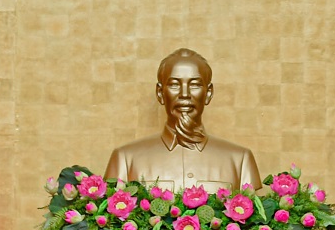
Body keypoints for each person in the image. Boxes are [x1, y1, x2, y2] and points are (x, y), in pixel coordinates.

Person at [104, 48, 261, 193]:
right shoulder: (125, 159)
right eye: (174, 84)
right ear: (160, 93)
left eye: (195, 85)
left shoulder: (240, 160)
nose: (184, 94)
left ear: (208, 93)